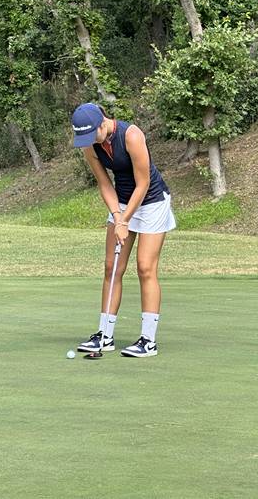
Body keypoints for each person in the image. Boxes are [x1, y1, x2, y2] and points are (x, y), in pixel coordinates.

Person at [70, 103, 176, 357]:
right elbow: (105, 184)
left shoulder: (131, 135)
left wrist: (124, 221)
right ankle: (105, 335)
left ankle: (148, 341)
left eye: (90, 135)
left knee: (145, 267)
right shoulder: (90, 144)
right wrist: (118, 216)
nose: (87, 141)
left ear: (102, 124)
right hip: (122, 203)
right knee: (112, 266)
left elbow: (143, 183)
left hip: (152, 202)